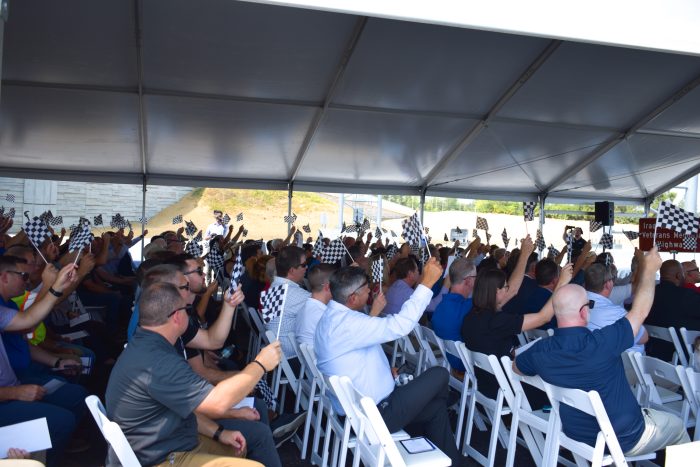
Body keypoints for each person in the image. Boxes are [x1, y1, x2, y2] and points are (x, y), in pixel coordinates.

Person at [515, 247, 690, 456]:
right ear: (583, 311)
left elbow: (517, 367)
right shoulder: (603, 342)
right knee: (679, 426)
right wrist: (650, 270)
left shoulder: (541, 351)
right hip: (625, 436)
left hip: (576, 433)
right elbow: (640, 311)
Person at [106, 281, 283, 466]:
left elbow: (184, 408)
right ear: (176, 317)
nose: (188, 314)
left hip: (171, 444)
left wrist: (219, 432)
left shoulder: (148, 344)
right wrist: (260, 365)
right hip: (161, 459)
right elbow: (218, 403)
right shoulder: (158, 360)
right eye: (186, 310)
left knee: (245, 444)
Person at [314, 259, 463, 465]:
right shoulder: (349, 324)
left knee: (436, 409)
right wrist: (426, 284)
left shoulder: (330, 318)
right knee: (440, 374)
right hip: (378, 414)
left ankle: (451, 462)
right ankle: (417, 439)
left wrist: (384, 372)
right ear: (352, 298)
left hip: (360, 410)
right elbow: (400, 326)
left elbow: (359, 351)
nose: (370, 292)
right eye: (367, 289)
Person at [0, 263, 82, 467]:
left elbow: (27, 321)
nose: (27, 280)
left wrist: (56, 287)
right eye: (23, 275)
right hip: (8, 396)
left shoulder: (3, 309)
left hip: (14, 386)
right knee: (61, 420)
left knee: (75, 395)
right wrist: (15, 393)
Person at [584, 263, 647, 353]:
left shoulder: (576, 305)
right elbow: (643, 338)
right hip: (626, 362)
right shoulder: (616, 313)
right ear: (608, 284)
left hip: (595, 355)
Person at [431, 258, 476, 372]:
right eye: (476, 278)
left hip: (448, 359)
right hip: (465, 363)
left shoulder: (440, 306)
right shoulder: (467, 308)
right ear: (468, 281)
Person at [266, 246, 310, 358]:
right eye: (304, 265)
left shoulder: (273, 287)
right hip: (293, 357)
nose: (307, 267)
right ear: (292, 270)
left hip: (278, 351)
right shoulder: (296, 294)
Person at [295, 264, 336, 346]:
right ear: (328, 287)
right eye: (337, 283)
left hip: (313, 356)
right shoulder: (324, 315)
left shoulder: (304, 308)